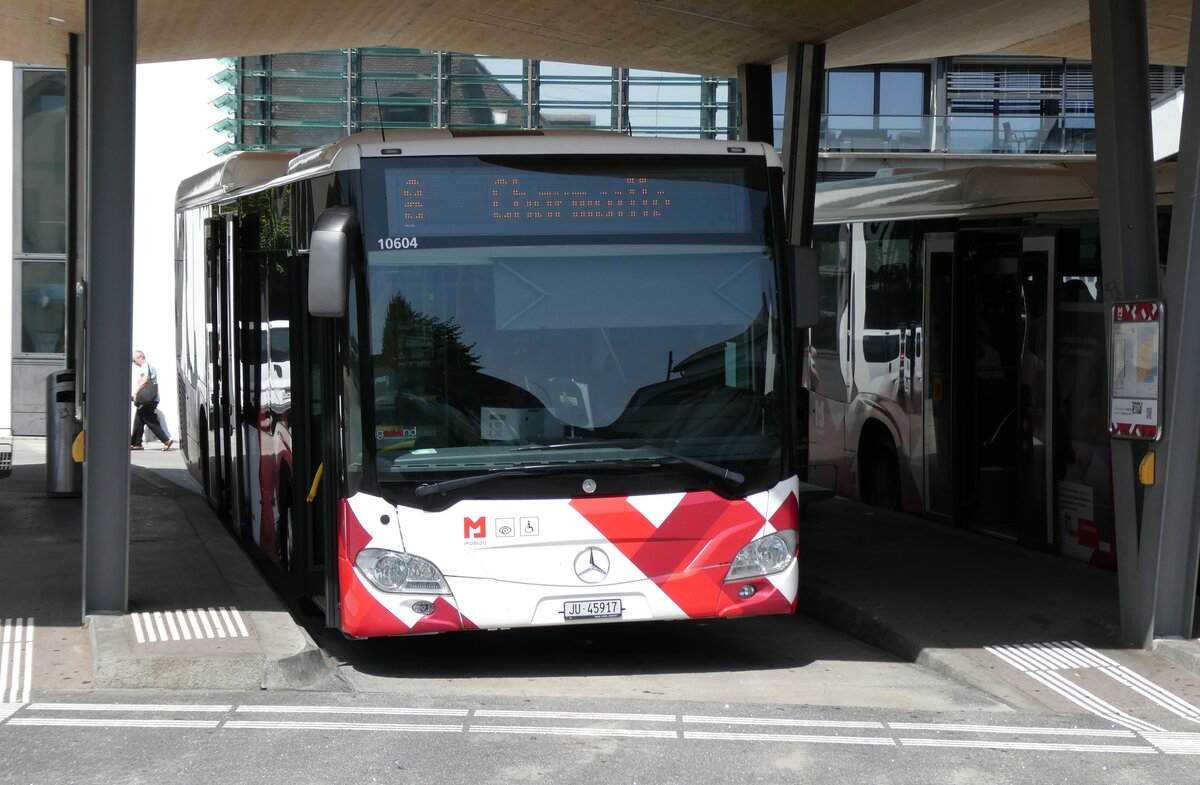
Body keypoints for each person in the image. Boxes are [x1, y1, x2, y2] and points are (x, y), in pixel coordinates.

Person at [130, 349, 173, 450]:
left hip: (148, 400)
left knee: (149, 420)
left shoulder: (145, 365)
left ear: (140, 357)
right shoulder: (150, 366)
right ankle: (136, 443)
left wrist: (136, 393)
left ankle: (166, 440)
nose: (134, 363)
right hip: (150, 399)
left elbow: (144, 380)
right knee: (138, 420)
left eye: (134, 361)